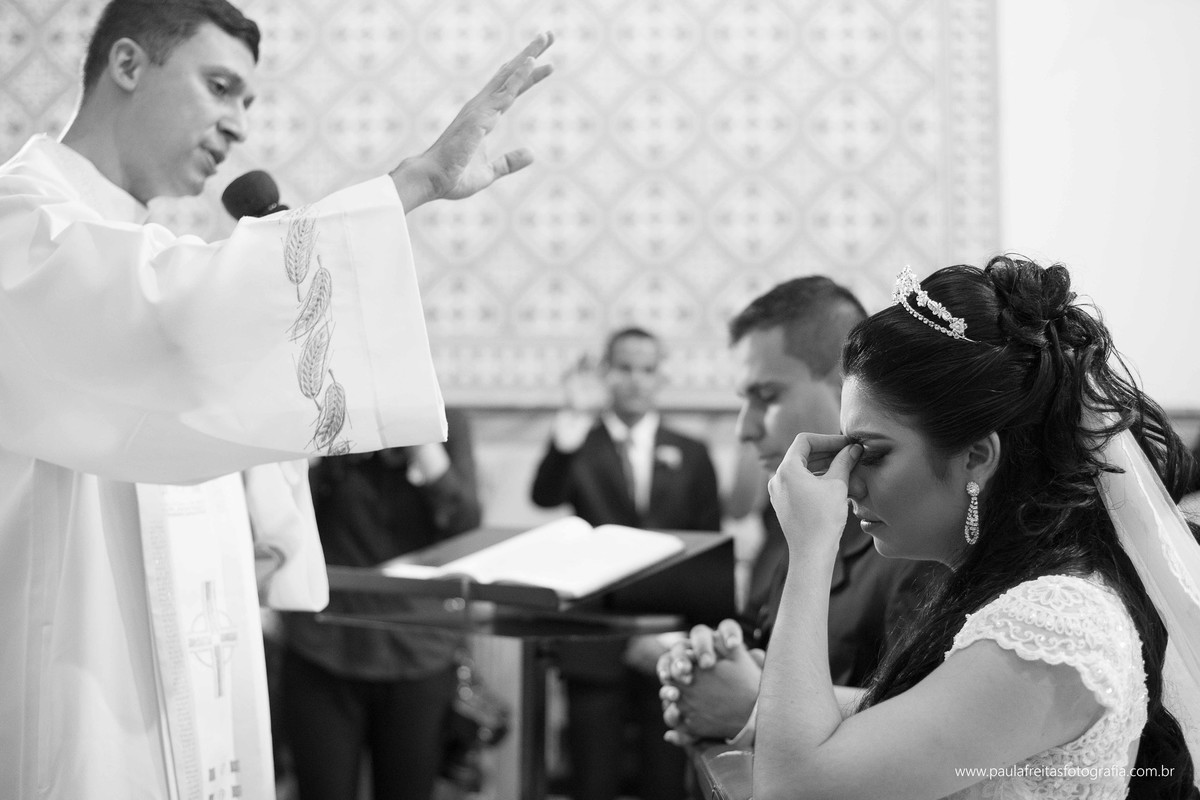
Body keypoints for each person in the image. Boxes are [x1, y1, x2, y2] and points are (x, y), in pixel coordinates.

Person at [0, 0, 553, 797]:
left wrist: (259, 528)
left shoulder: (140, 248)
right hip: (79, 679)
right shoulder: (24, 220)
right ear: (127, 65)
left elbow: (183, 390)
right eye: (220, 87)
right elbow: (164, 317)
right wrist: (410, 186)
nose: (237, 127)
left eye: (248, 103)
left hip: (188, 676)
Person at [753, 257, 1200, 798]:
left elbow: (792, 788)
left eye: (870, 451)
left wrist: (810, 549)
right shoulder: (1008, 591)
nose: (848, 482)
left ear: (977, 457)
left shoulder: (1055, 627)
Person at [657, 277, 939, 747]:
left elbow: (930, 720)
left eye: (766, 397)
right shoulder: (787, 513)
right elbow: (758, 631)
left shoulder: (916, 537)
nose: (744, 430)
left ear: (843, 381)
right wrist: (712, 652)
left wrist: (754, 706)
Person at [530, 326, 722, 800]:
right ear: (606, 374)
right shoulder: (580, 442)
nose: (636, 380)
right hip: (597, 640)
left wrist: (686, 636)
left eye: (647, 369)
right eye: (624, 368)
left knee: (664, 780)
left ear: (661, 377)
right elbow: (543, 495)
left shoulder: (693, 452)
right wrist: (571, 421)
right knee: (591, 780)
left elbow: (706, 548)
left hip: (669, 641)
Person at [280, 409, 482, 800]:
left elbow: (464, 526)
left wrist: (423, 446)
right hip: (324, 647)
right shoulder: (318, 412)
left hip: (418, 650)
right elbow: (283, 519)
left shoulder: (446, 421)